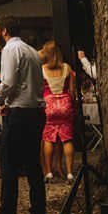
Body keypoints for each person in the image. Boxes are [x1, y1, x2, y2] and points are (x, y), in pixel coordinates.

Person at [0, 17, 46, 214]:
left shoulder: (11, 49)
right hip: (35, 111)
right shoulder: (32, 51)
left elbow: (8, 82)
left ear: (5, 30)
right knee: (32, 165)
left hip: (19, 114)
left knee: (8, 163)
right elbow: (28, 83)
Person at [38, 40, 76, 182]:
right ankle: (70, 172)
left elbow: (39, 89)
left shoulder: (42, 69)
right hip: (65, 103)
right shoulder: (67, 68)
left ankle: (48, 172)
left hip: (49, 105)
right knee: (67, 139)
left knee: (48, 138)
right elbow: (72, 91)